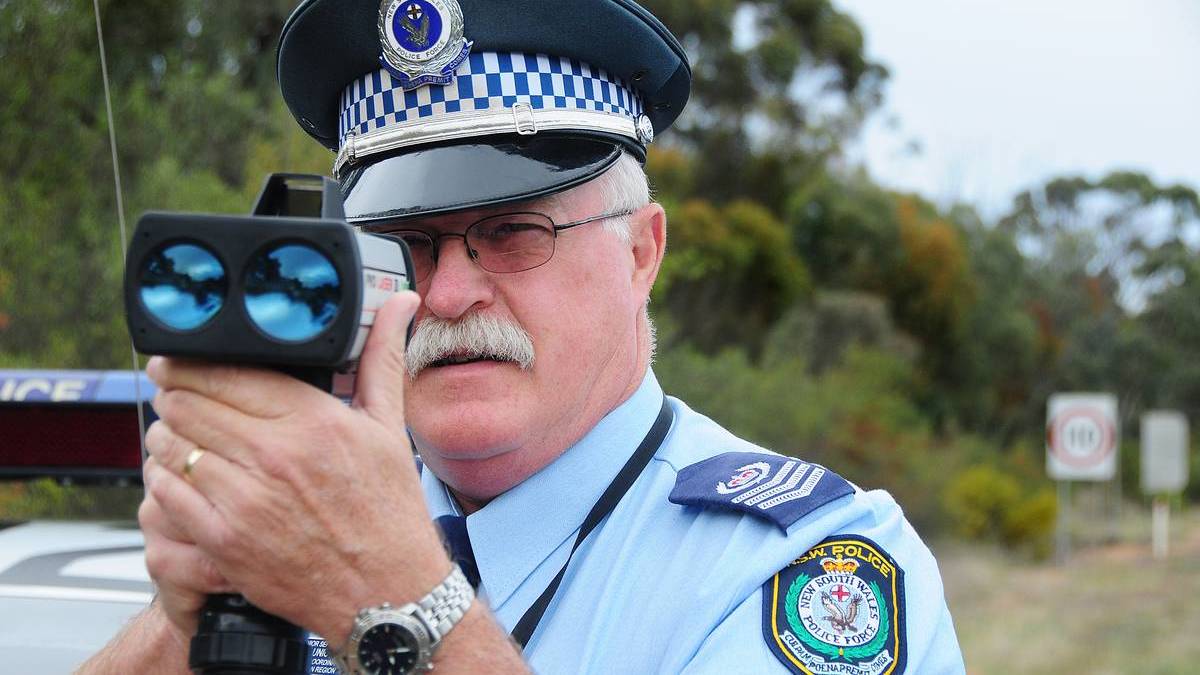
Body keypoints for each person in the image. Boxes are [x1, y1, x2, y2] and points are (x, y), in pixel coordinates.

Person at [84, 0, 965, 673]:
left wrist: (398, 597)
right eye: (411, 244)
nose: (453, 292)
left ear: (641, 252)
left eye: (515, 232)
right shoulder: (299, 531)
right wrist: (191, 610)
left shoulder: (801, 566)